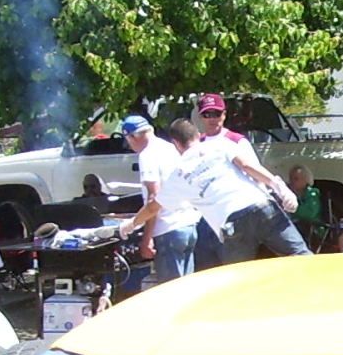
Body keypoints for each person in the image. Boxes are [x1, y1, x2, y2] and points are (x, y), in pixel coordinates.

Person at [169, 121, 306, 262]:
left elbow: (155, 205)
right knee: (301, 255)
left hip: (233, 219)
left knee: (239, 275)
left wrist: (143, 222)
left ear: (176, 144)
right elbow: (247, 166)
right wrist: (280, 188)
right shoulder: (221, 144)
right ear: (198, 135)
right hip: (261, 205)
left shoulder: (178, 172)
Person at [116, 114, 201, 283]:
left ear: (133, 136)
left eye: (128, 140)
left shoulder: (147, 156)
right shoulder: (171, 148)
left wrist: (146, 238)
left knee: (171, 293)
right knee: (188, 290)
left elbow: (154, 199)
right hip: (188, 225)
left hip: (168, 230)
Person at [287, 164, 328, 249]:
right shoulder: (291, 195)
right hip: (297, 225)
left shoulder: (312, 194)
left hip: (314, 228)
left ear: (305, 180)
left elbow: (310, 213)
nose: (292, 182)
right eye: (291, 179)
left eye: (296, 179)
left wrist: (292, 208)